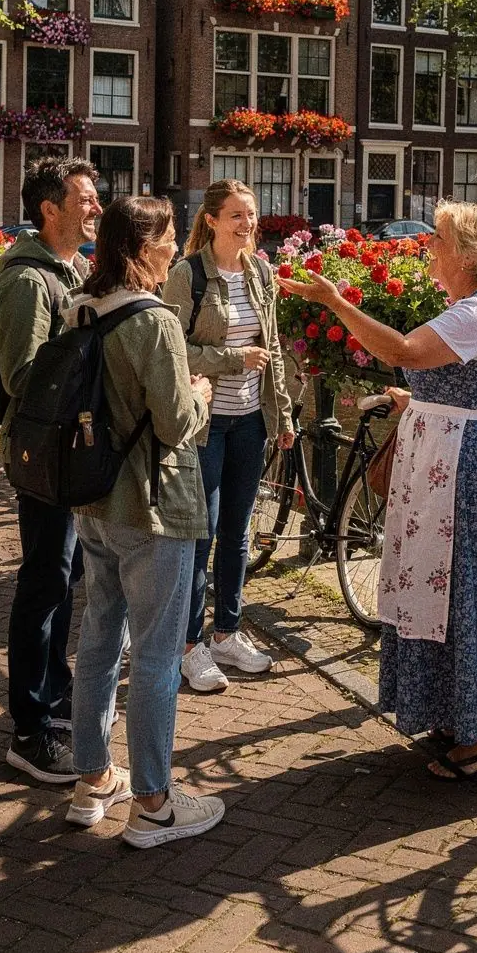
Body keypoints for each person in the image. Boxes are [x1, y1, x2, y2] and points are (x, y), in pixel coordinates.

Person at [279, 200, 477, 779]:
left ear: (467, 255)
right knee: (456, 588)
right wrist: (420, 401)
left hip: (466, 467)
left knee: (467, 587)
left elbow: (402, 351)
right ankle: (463, 713)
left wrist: (336, 302)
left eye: (439, 241)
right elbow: (453, 380)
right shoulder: (470, 311)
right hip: (451, 456)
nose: (429, 248)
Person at [63, 195, 225, 848]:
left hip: (92, 501)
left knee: (101, 640)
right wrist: (202, 394)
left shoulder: (81, 306)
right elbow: (174, 424)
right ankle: (154, 802)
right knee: (157, 656)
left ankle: (93, 778)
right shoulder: (154, 320)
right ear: (143, 247)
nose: (175, 251)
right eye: (166, 241)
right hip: (153, 509)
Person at [0, 156, 101, 784]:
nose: (95, 207)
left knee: (66, 573)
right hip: (42, 455)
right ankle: (29, 730)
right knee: (43, 581)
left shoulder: (73, 268)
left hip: (69, 454)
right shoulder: (30, 282)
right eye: (84, 199)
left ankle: (56, 691)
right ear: (49, 209)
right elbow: (21, 375)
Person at [163, 179, 294, 693]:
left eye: (252, 214)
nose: (247, 224)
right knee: (202, 531)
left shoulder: (261, 272)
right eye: (237, 216)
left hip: (250, 421)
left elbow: (275, 347)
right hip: (206, 423)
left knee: (239, 532)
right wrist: (231, 360)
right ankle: (189, 645)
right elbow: (170, 352)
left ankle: (228, 633)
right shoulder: (186, 275)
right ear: (212, 220)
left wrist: (281, 416)